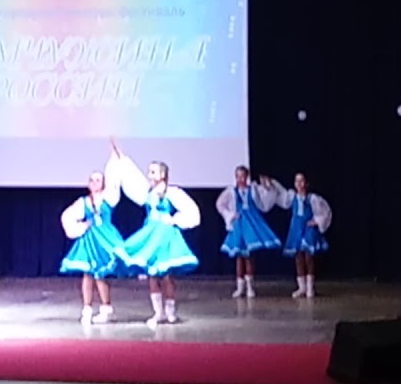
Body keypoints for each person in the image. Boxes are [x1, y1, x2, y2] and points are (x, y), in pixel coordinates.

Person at [110, 139, 201, 327]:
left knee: (166, 274)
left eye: (153, 172)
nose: (149, 175)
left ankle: (170, 311)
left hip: (165, 236)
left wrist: (174, 220)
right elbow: (132, 177)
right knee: (152, 273)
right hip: (151, 235)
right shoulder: (147, 193)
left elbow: (192, 212)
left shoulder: (172, 193)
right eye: (149, 172)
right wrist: (122, 158)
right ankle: (158, 313)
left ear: (163, 175)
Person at [59, 161, 125, 324]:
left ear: (103, 184)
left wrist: (115, 161)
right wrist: (82, 226)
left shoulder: (109, 199)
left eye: (98, 180)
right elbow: (67, 216)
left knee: (100, 275)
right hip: (89, 240)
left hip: (104, 240)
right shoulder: (83, 202)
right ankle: (87, 309)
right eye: (92, 180)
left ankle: (105, 308)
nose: (95, 183)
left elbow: (115, 184)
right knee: (87, 274)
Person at [213, 166, 281, 299]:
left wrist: (267, 187)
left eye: (243, 176)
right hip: (239, 224)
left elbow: (265, 201)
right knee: (239, 256)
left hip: (251, 224)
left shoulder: (253, 190)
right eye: (238, 176)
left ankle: (250, 287)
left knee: (249, 256)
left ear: (247, 177)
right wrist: (230, 214)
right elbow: (220, 204)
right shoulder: (231, 192)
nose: (240, 179)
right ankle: (240, 288)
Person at [262, 172, 332, 299]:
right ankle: (302, 287)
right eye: (297, 181)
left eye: (301, 181)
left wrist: (317, 221)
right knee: (298, 257)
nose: (299, 184)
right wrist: (272, 184)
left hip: (308, 228)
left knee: (308, 257)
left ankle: (310, 287)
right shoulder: (292, 197)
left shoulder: (312, 198)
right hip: (296, 228)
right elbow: (281, 195)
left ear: (306, 183)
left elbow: (325, 211)